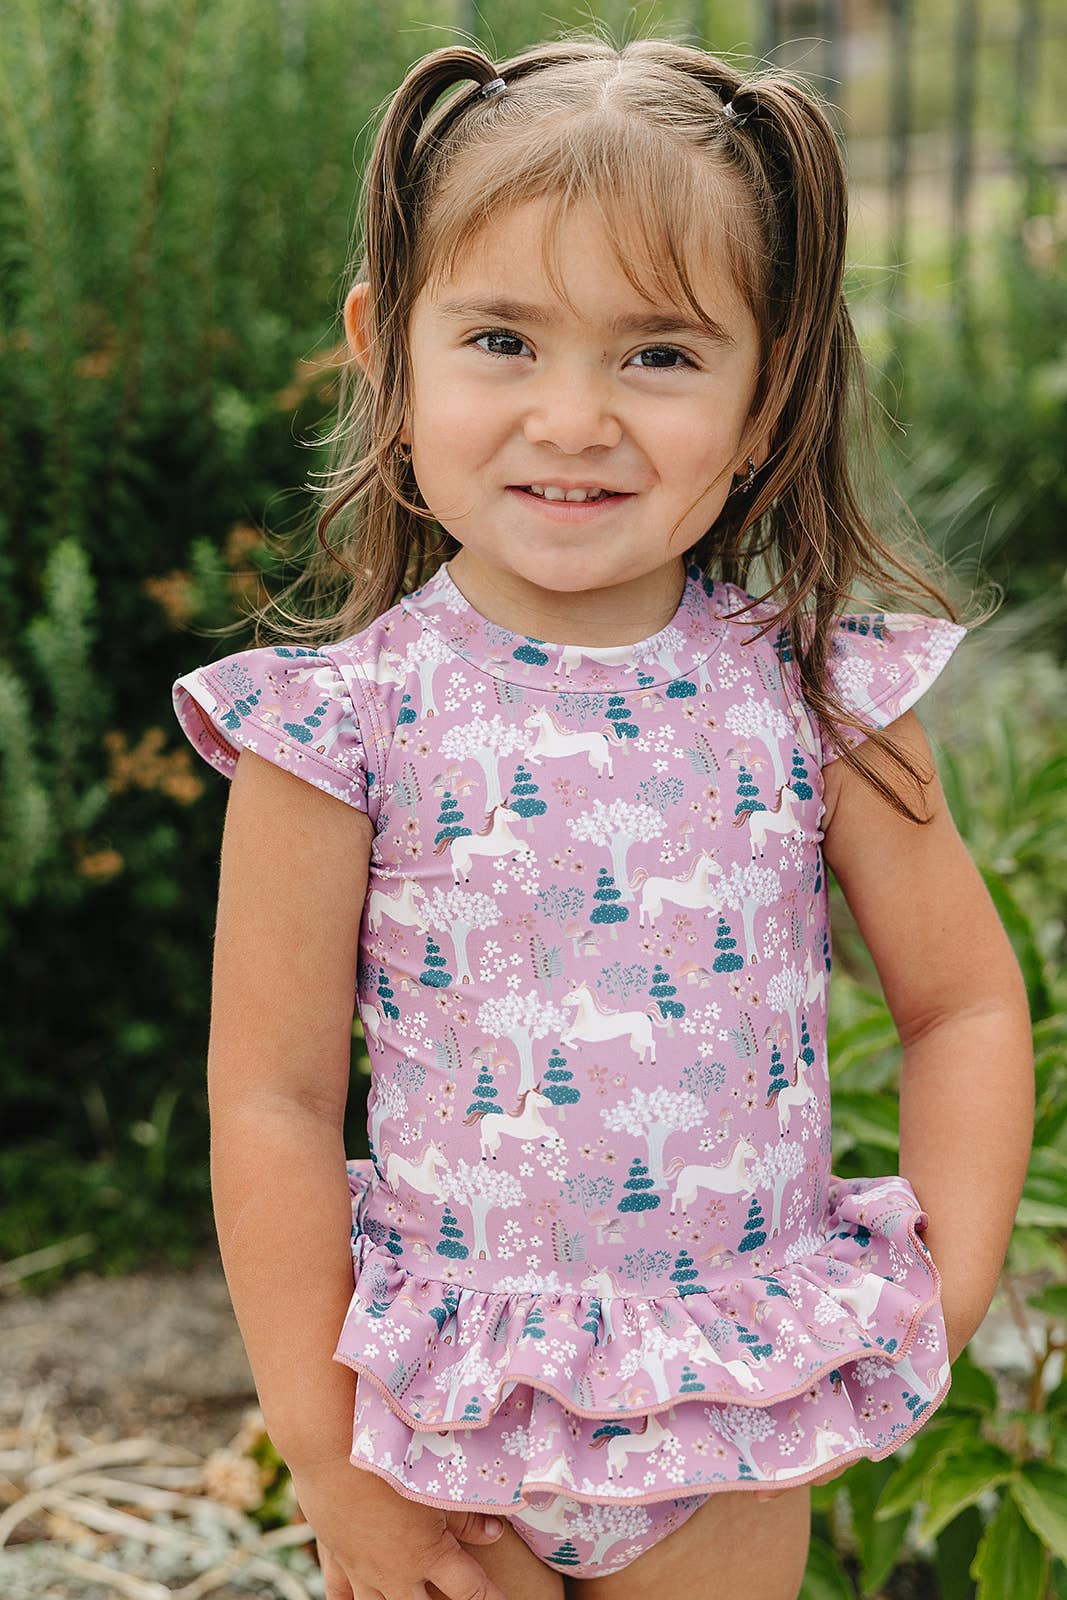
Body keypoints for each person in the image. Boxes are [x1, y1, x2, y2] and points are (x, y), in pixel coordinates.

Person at [171, 32, 1034, 1600]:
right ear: (386, 352)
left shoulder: (819, 700)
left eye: (658, 354)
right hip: (435, 1421)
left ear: (768, 392)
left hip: (730, 1412)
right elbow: (274, 1104)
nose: (574, 418)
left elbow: (964, 1002)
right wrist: (322, 1451)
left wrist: (939, 1296)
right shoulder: (331, 728)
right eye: (502, 339)